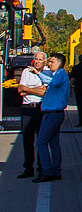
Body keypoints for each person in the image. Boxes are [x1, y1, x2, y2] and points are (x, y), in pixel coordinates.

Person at [28, 53, 69, 182]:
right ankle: (55, 170)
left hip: (53, 114)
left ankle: (47, 171)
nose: (49, 64)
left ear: (59, 63)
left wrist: (38, 73)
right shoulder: (57, 75)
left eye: (51, 62)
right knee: (53, 143)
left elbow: (52, 82)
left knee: (41, 142)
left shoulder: (60, 75)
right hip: (52, 113)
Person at [16, 49, 48, 179]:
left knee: (41, 140)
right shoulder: (26, 72)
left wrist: (28, 90)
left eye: (40, 60)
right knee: (27, 140)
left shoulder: (47, 73)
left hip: (40, 109)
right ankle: (28, 168)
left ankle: (42, 167)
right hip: (27, 108)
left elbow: (43, 92)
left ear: (44, 62)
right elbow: (20, 89)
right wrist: (36, 90)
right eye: (36, 59)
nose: (38, 62)